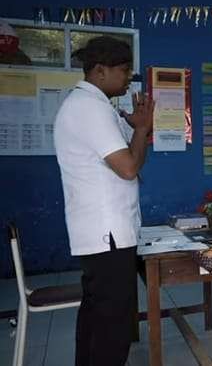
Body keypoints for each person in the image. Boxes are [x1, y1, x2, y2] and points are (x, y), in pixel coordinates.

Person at [53, 36, 153, 366]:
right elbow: (128, 167)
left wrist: (141, 131)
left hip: (104, 232)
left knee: (97, 317)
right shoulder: (89, 109)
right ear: (99, 70)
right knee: (113, 324)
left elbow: (134, 159)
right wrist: (141, 130)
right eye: (124, 70)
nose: (129, 78)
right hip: (106, 233)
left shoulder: (95, 107)